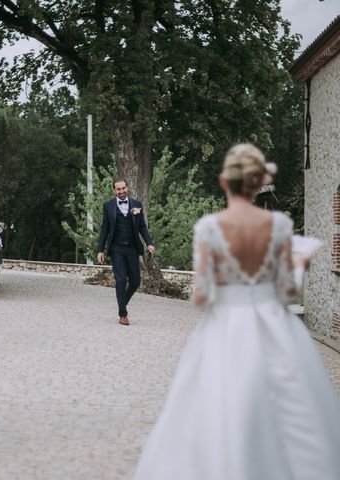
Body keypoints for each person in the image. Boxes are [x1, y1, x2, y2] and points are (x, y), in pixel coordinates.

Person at [133, 143, 340, 479]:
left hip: (225, 327)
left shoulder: (210, 228)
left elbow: (201, 296)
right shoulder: (279, 226)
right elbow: (287, 291)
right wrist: (299, 262)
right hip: (275, 325)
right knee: (294, 413)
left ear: (223, 181)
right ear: (259, 184)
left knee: (214, 408)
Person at [96, 179, 155, 325]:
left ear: (127, 188)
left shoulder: (137, 205)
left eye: (123, 188)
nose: (121, 191)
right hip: (117, 248)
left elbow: (142, 226)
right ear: (114, 190)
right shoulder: (108, 206)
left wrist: (149, 243)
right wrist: (100, 250)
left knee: (135, 281)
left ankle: (122, 303)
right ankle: (123, 314)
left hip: (132, 248)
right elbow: (105, 229)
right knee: (121, 280)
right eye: (118, 189)